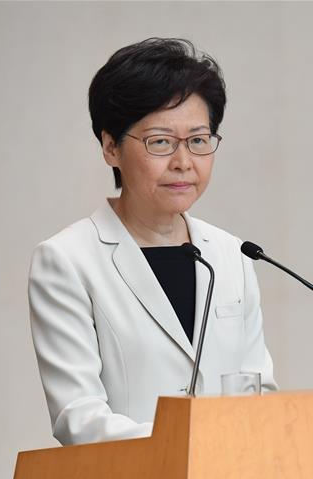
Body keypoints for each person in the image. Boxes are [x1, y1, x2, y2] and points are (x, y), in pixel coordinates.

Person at [28, 38, 277, 446]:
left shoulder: (234, 254)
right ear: (111, 147)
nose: (183, 162)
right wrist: (193, 441)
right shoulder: (67, 261)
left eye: (198, 140)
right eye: (161, 142)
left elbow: (259, 393)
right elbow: (79, 418)